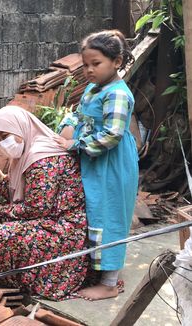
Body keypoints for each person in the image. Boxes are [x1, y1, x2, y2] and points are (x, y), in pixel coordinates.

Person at [0, 105, 89, 301]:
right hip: (45, 218)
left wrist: (0, 209)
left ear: (20, 127)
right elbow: (13, 194)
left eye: (6, 136)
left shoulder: (43, 157)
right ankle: (6, 279)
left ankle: (18, 287)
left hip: (64, 227)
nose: (3, 144)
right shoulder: (26, 153)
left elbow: (36, 208)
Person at [55, 29, 138, 301]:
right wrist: (67, 128)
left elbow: (112, 135)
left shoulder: (117, 94)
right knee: (94, 213)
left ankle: (110, 283)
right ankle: (100, 271)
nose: (89, 70)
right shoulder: (93, 88)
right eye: (86, 64)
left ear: (117, 62)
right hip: (95, 162)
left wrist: (76, 145)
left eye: (96, 64)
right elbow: (78, 115)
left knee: (110, 216)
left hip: (111, 165)